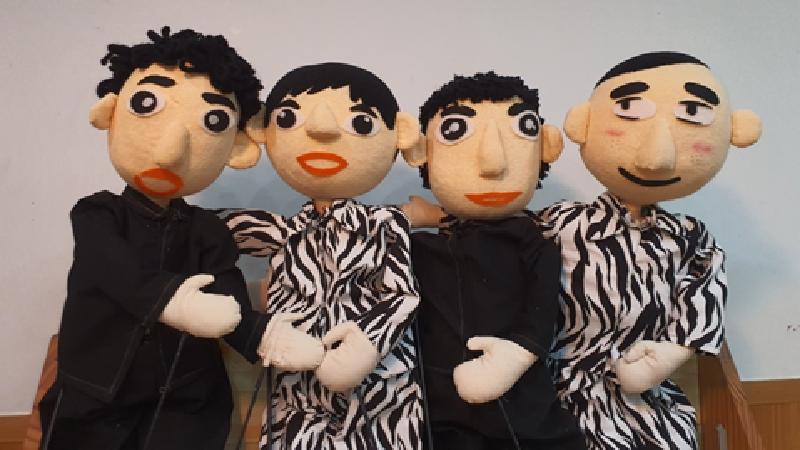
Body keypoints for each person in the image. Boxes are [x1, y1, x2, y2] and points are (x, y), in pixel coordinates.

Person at [39, 27, 322, 450]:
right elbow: (116, 271)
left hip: (185, 395)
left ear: (236, 148)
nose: (171, 152)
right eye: (146, 104)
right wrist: (175, 301)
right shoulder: (97, 213)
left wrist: (267, 337)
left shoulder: (208, 231)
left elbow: (229, 302)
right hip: (96, 392)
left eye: (214, 121)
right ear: (110, 114)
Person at [538, 51, 762, 449]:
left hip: (646, 399)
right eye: (627, 109)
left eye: (693, 113)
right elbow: (501, 254)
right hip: (555, 397)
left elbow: (703, 293)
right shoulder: (558, 224)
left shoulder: (691, 239)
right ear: (582, 125)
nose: (657, 157)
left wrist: (667, 356)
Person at [220, 62, 424, 449]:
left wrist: (363, 346)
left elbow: (402, 295)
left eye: (361, 123)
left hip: (378, 391)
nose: (323, 130)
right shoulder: (283, 232)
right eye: (289, 119)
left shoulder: (384, 225)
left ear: (399, 135)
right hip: (297, 394)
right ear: (263, 130)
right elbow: (210, 228)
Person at [404, 72, 586, 450]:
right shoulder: (420, 247)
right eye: (455, 131)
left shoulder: (534, 243)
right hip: (439, 406)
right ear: (422, 152)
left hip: (521, 399)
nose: (493, 163)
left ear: (545, 148)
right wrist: (429, 218)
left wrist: (514, 356)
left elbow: (542, 311)